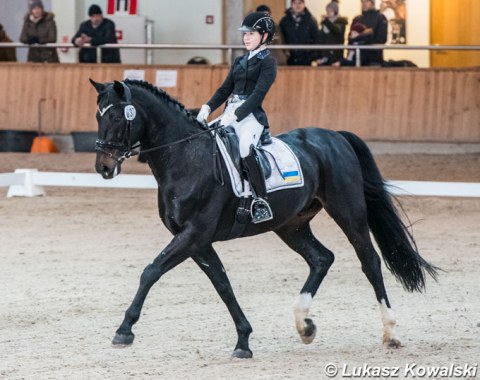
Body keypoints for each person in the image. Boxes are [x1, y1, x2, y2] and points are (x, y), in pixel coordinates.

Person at [196, 12, 276, 223]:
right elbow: (225, 89)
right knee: (205, 139)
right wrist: (208, 107)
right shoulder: (240, 60)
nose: (246, 38)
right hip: (229, 112)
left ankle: (261, 200)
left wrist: (237, 116)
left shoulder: (268, 62)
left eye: (251, 34)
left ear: (265, 36)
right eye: (245, 34)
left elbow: (258, 95)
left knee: (244, 148)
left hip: (251, 117)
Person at [279, 0, 319, 66]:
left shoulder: (311, 20)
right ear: (291, 5)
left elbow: (316, 39)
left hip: (306, 59)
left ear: (304, 4)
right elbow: (281, 39)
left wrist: (312, 57)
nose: (297, 5)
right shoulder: (284, 21)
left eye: (300, 3)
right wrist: (284, 55)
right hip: (289, 59)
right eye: (295, 3)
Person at [351, 0, 388, 65]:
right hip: (357, 58)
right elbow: (351, 38)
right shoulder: (357, 19)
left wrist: (363, 36)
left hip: (374, 58)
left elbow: (382, 39)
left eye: (367, 1)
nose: (364, 4)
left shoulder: (380, 18)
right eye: (362, 2)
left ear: (372, 3)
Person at [316, 1, 348, 65]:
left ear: (335, 12)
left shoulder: (341, 22)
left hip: (335, 57)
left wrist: (326, 21)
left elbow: (335, 30)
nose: (328, 13)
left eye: (331, 11)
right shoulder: (324, 24)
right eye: (327, 11)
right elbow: (320, 39)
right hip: (324, 57)